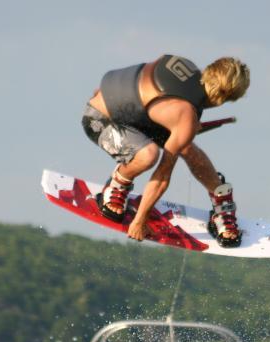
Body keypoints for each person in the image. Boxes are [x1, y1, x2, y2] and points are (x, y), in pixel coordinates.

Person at [81, 55, 250, 247]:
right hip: (98, 119)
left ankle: (222, 203)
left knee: (185, 145)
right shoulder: (186, 116)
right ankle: (118, 183)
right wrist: (140, 220)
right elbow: (162, 175)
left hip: (129, 112)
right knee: (148, 155)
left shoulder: (185, 66)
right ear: (226, 97)